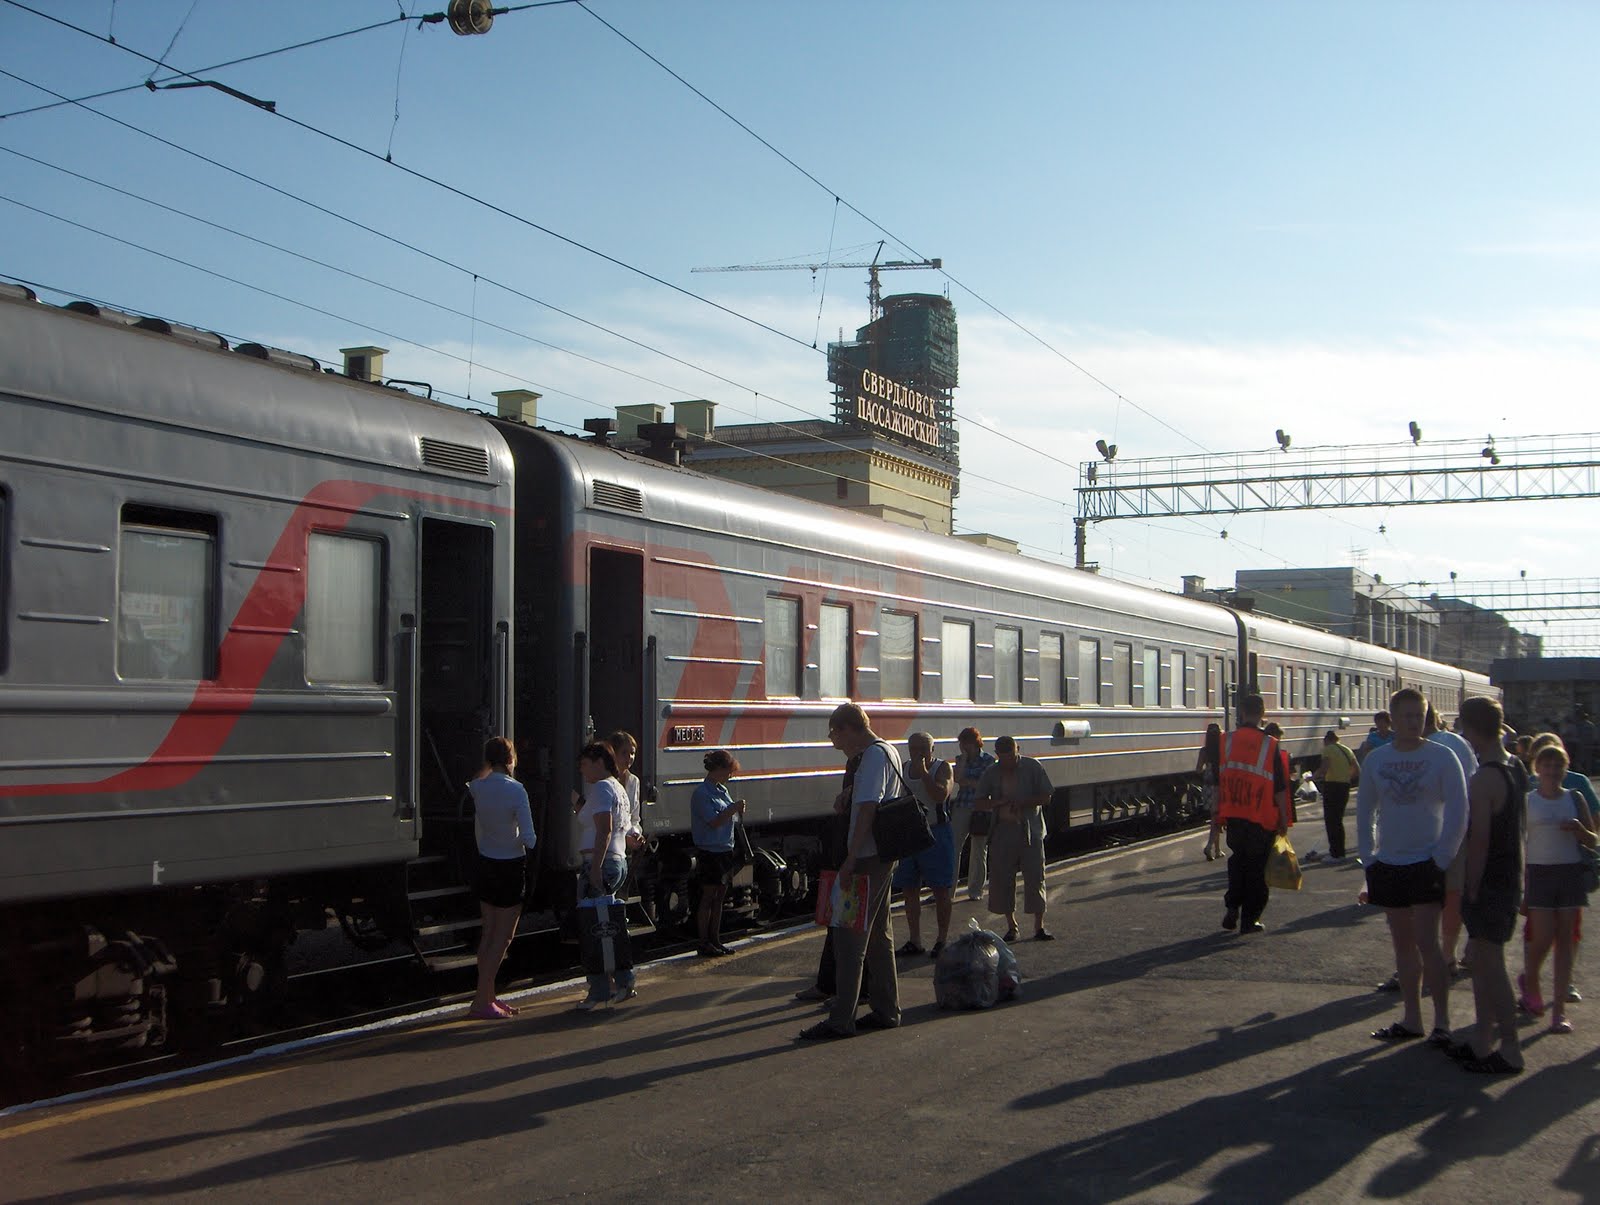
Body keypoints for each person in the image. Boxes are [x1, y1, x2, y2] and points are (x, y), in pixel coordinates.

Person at [1357, 688, 1468, 1045]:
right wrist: (1369, 858)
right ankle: (1412, 1019)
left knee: (1428, 943)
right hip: (1389, 861)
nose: (1413, 723)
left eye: (1418, 716)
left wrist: (1443, 857)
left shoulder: (1443, 756)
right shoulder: (1377, 760)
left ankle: (1442, 1022)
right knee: (1402, 944)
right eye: (1406, 716)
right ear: (1392, 718)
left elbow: (1458, 810)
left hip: (1426, 861)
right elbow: (1365, 811)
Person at [798, 703, 902, 1040]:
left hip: (866, 857)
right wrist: (849, 792)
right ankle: (887, 1010)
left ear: (847, 729)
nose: (832, 738)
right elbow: (876, 795)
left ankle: (841, 1019)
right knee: (878, 937)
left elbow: (870, 808)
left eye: (833, 731)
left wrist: (850, 859)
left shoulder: (870, 758)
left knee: (849, 939)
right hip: (883, 856)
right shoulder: (888, 750)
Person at [1449, 696, 1528, 1074]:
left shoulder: (1484, 779)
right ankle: (1483, 1041)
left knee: (1491, 965)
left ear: (1470, 727)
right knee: (1481, 962)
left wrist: (1472, 886)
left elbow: (1479, 839)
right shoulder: (1515, 769)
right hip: (1509, 876)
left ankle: (1510, 1047)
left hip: (1489, 883)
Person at [1520, 741, 1597, 1034]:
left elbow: (1592, 841)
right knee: (1541, 939)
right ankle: (1531, 981)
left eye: (1558, 766)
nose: (1552, 771)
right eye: (1547, 766)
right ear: (1537, 769)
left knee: (1565, 940)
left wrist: (1580, 829)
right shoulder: (1528, 801)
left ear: (1565, 769)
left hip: (1569, 873)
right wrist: (1522, 885)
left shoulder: (1574, 798)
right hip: (1539, 873)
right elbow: (1520, 844)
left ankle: (1559, 1012)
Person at [466, 736, 536, 1020]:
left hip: (485, 865)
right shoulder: (517, 790)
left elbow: (477, 779)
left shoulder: (478, 788)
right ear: (511, 759)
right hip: (510, 865)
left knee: (489, 933)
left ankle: (488, 996)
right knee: (504, 938)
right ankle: (482, 998)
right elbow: (529, 837)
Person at [1215, 694, 1291, 934]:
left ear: (1241, 712)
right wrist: (1283, 819)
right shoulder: (1270, 745)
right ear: (1262, 713)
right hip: (1261, 817)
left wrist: (1216, 815)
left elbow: (1218, 781)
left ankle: (1232, 906)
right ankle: (1250, 919)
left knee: (1238, 862)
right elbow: (1280, 787)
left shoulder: (1226, 740)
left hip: (1234, 814)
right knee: (1258, 869)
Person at [575, 740, 638, 1011]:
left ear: (598, 761)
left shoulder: (601, 787)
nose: (583, 771)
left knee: (595, 930)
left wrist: (596, 868)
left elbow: (604, 829)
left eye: (585, 765)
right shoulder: (617, 787)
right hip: (617, 859)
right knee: (610, 926)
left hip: (601, 862)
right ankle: (623, 982)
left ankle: (599, 990)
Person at [977, 735, 1056, 942]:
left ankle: (1039, 926)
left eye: (1011, 756)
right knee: (1002, 879)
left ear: (1018, 750)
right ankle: (1011, 925)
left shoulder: (1032, 767)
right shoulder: (991, 772)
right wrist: (998, 802)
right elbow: (979, 801)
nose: (1008, 761)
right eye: (1003, 757)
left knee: (1035, 876)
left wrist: (1023, 802)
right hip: (1002, 830)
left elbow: (1046, 796)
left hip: (1029, 830)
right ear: (997, 755)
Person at [1427, 704, 1479, 977]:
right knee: (1452, 895)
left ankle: (1426, 957)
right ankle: (1448, 955)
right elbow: (1473, 784)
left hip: (1424, 834)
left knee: (1422, 901)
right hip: (1458, 829)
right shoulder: (1460, 744)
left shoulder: (1415, 748)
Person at [892, 732, 955, 956]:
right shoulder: (903, 768)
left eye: (923, 749)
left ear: (932, 750)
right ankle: (914, 939)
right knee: (909, 888)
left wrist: (925, 774)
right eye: (914, 748)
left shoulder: (943, 768)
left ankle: (942, 938)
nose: (918, 753)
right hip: (910, 834)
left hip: (936, 832)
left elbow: (941, 795)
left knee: (940, 889)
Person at [691, 749, 746, 958]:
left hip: (724, 849)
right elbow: (713, 822)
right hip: (709, 851)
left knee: (719, 897)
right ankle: (704, 941)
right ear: (718, 769)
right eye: (728, 771)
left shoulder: (722, 791)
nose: (730, 776)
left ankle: (715, 939)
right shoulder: (702, 794)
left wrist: (734, 810)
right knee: (708, 896)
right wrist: (732, 809)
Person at [947, 728, 997, 900]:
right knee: (953, 847)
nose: (963, 747)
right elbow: (958, 779)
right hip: (962, 805)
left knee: (979, 849)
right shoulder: (961, 760)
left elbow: (986, 785)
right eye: (961, 743)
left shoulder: (988, 760)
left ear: (975, 743)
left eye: (966, 743)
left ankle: (975, 890)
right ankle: (949, 890)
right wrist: (965, 766)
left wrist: (969, 782)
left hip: (981, 808)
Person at [1316, 730, 1359, 861]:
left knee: (1331, 820)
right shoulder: (1347, 750)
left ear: (1326, 740)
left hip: (1332, 786)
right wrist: (1346, 777)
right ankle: (1340, 851)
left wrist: (1313, 776)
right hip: (1344, 786)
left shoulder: (1328, 750)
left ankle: (1335, 853)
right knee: (1338, 820)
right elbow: (1357, 769)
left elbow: (1324, 768)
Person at [1198, 723, 1224, 861]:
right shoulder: (1223, 750)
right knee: (1217, 819)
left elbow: (1198, 769)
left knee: (1215, 817)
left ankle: (1218, 849)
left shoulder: (1204, 751)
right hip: (1220, 786)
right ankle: (1209, 846)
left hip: (1208, 787)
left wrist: (1206, 770)